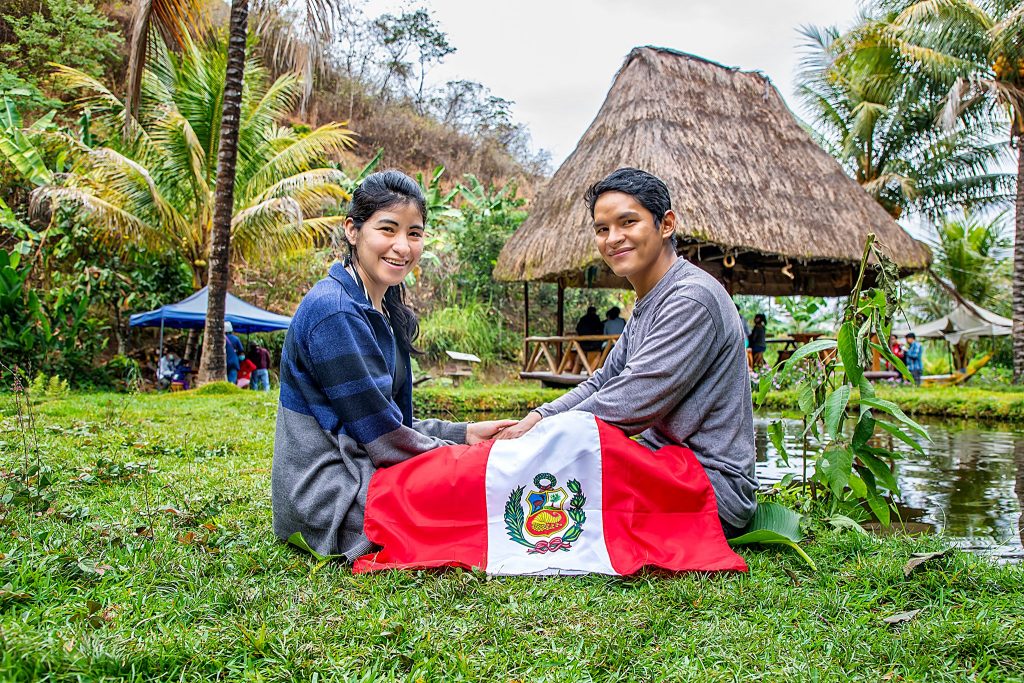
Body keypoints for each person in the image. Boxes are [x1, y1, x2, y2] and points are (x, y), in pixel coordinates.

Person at [497, 168, 757, 537]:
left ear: (665, 224)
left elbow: (630, 403)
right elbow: (602, 382)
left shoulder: (692, 299)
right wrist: (537, 419)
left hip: (711, 486)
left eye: (628, 222)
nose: (613, 238)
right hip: (661, 465)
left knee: (540, 494)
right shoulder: (648, 302)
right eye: (602, 229)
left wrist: (539, 440)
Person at [272, 170, 516, 560]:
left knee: (494, 497)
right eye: (388, 229)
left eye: (414, 233)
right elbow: (387, 442)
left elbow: (388, 421)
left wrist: (463, 432)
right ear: (353, 230)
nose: (402, 247)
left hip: (365, 470)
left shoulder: (381, 308)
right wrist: (472, 458)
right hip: (332, 497)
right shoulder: (335, 313)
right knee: (489, 503)